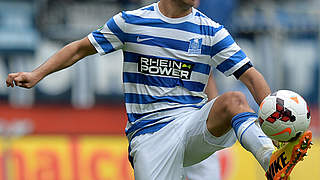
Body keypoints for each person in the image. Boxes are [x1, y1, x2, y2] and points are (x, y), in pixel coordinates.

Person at [6, 0, 312, 179]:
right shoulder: (131, 23)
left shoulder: (211, 30)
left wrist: (273, 122)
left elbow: (252, 78)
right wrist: (36, 74)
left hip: (191, 124)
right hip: (150, 134)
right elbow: (78, 49)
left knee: (233, 100)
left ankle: (271, 160)